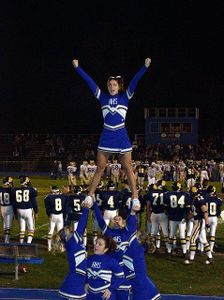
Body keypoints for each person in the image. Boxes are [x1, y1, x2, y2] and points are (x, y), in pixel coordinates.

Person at [72, 57, 151, 203]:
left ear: (119, 86)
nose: (111, 87)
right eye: (109, 85)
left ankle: (135, 198)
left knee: (127, 168)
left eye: (114, 84)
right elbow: (90, 83)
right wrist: (78, 68)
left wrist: (144, 67)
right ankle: (90, 196)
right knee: (100, 168)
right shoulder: (102, 97)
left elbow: (135, 81)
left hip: (121, 134)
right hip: (107, 135)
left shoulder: (125, 97)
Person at [53, 207, 89, 300]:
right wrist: (86, 209)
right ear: (67, 236)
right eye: (70, 230)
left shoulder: (73, 243)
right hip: (74, 282)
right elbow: (82, 225)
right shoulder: (72, 242)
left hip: (77, 279)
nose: (73, 230)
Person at [86, 235, 126, 300]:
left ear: (105, 249)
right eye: (96, 243)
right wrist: (86, 283)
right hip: (91, 295)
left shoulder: (111, 261)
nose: (96, 245)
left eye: (100, 244)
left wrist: (110, 289)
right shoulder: (89, 259)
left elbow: (121, 277)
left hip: (105, 296)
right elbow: (86, 273)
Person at [11, 176, 38, 244]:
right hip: (28, 210)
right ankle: (28, 243)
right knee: (31, 229)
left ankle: (21, 243)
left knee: (22, 229)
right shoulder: (32, 190)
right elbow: (34, 202)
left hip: (19, 210)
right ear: (27, 182)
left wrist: (15, 213)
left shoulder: (15, 190)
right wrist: (36, 211)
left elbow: (14, 203)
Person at [44, 186, 69, 252]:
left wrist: (49, 214)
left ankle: (49, 247)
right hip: (60, 215)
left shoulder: (48, 197)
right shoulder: (63, 196)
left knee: (51, 231)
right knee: (60, 232)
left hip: (53, 215)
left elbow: (47, 208)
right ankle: (62, 248)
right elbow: (65, 205)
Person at [0, 177, 14, 243]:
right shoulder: (11, 190)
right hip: (9, 208)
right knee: (8, 226)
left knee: (4, 224)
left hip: (2, 208)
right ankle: (6, 241)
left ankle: (5, 238)